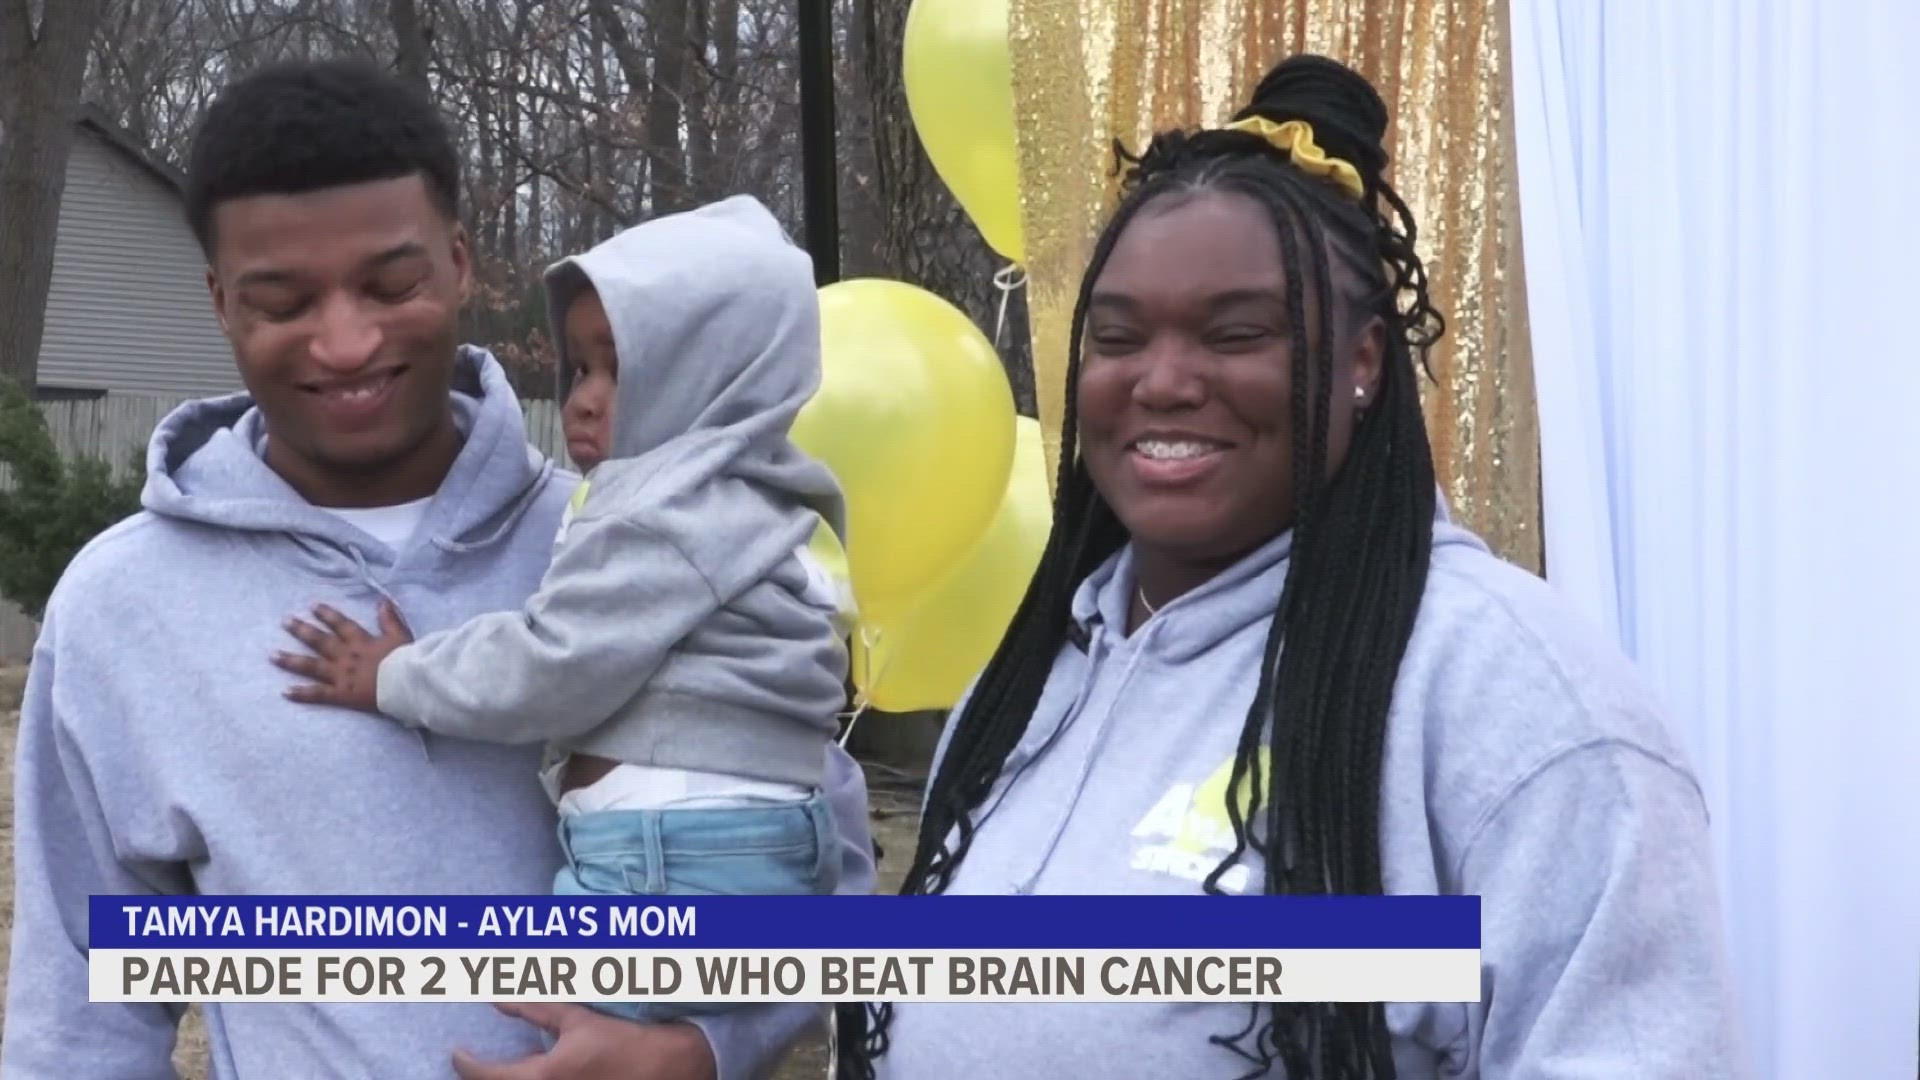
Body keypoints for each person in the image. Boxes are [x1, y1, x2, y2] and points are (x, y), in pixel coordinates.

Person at [836, 55, 1744, 1080]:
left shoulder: (1510, 693)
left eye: (1236, 334)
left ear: (1361, 363)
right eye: (1119, 337)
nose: (1164, 380)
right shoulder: (1032, 684)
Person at [1, 59, 873, 1080]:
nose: (346, 341)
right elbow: (81, 1003)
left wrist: (701, 1046)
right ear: (221, 303)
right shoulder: (124, 605)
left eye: (392, 284)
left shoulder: (633, 549)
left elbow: (827, 872)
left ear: (460, 263)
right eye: (282, 301)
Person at [267, 196, 856, 1028]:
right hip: (738, 846)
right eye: (580, 368)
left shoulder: (663, 512)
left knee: (565, 1042)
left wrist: (395, 675)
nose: (584, 398)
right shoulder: (758, 501)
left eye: (621, 369)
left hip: (666, 860)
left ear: (708, 376)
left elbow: (552, 668)